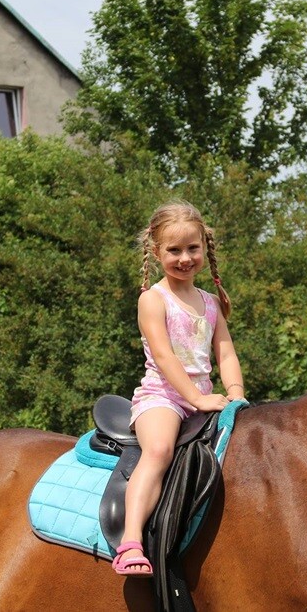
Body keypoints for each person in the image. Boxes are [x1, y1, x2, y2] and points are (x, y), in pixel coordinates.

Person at [112, 200, 246, 577]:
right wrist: (197, 398)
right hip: (164, 397)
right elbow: (166, 357)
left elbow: (226, 351)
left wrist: (235, 391)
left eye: (192, 248)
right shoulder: (152, 300)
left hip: (203, 398)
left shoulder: (210, 303)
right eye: (174, 250)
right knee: (159, 450)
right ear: (156, 252)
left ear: (205, 247)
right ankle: (131, 540)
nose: (185, 258)